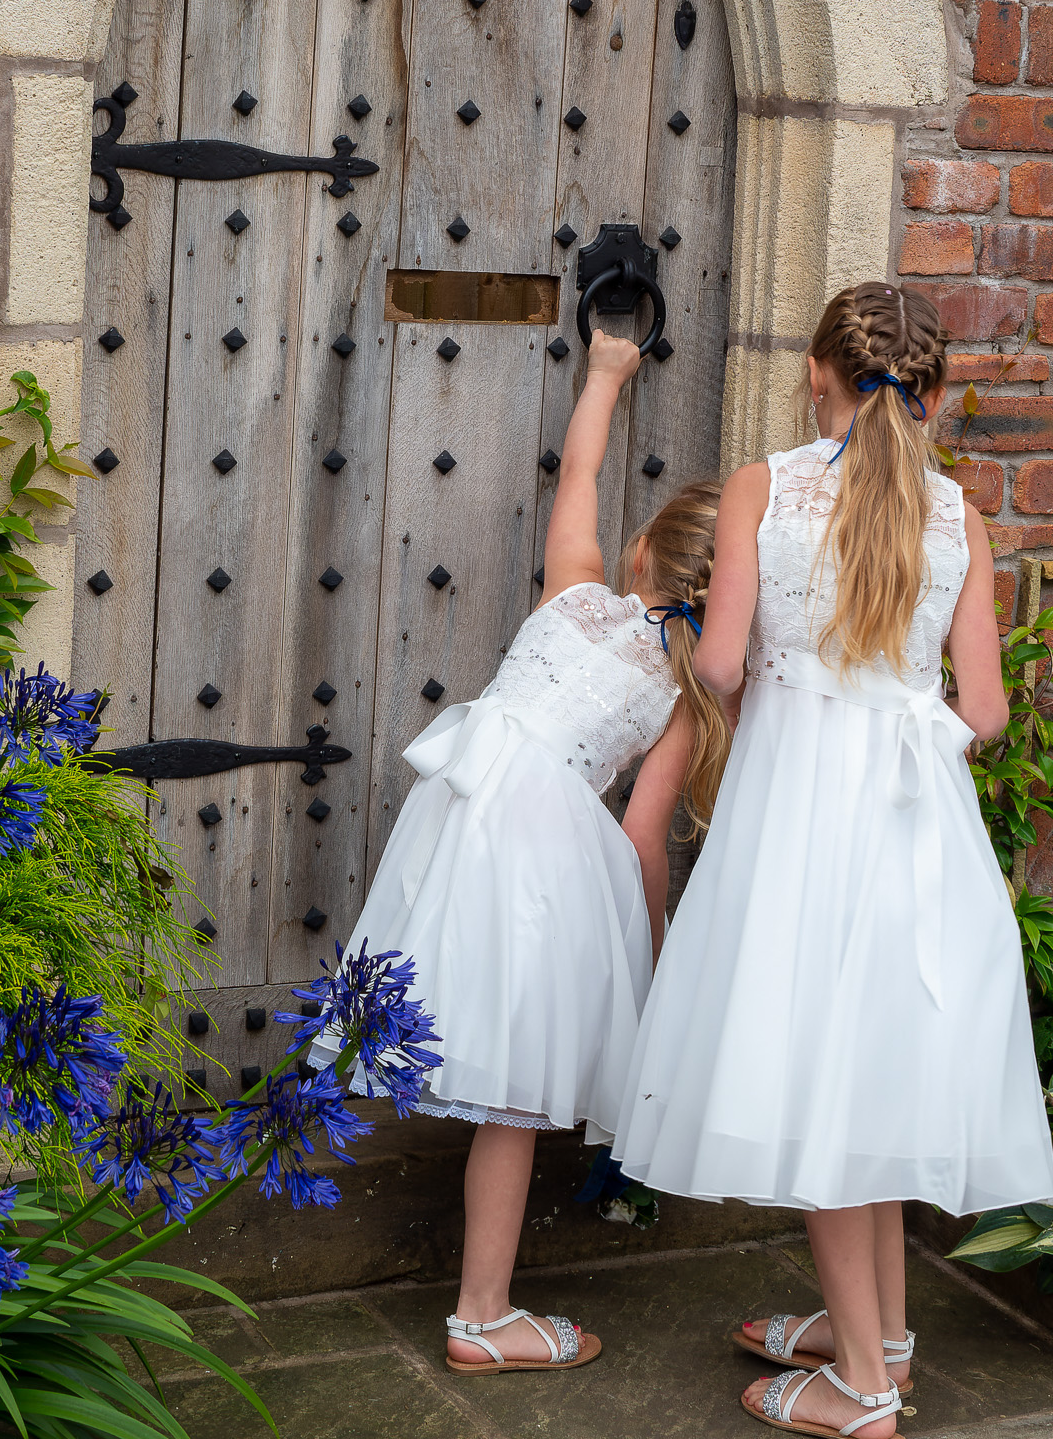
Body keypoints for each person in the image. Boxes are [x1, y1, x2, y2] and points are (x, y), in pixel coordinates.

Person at [612, 283, 1053, 1434]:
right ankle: (888, 1335)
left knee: (812, 1067)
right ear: (937, 394)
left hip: (800, 813)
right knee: (876, 1065)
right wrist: (906, 738)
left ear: (817, 375)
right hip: (916, 812)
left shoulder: (767, 486)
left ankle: (860, 1388)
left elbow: (715, 671)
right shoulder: (959, 515)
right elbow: (989, 709)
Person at [328, 331, 728, 1375]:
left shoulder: (574, 592)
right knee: (515, 1088)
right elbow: (643, 834)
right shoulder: (686, 692)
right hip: (550, 846)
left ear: (644, 551)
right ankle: (482, 1313)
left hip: (464, 813)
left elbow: (582, 472)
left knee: (470, 1037)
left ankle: (480, 1307)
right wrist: (642, 953)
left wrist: (603, 376)